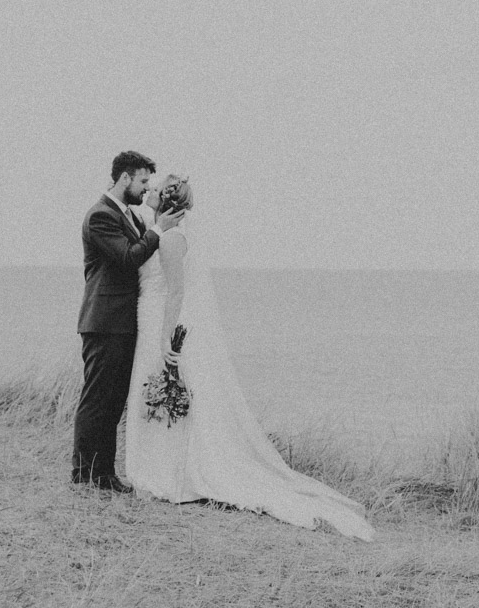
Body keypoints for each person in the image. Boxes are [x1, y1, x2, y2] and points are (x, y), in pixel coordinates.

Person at [123, 175, 374, 540]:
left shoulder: (173, 240)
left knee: (165, 391)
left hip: (160, 322)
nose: (150, 190)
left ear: (166, 200)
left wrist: (166, 340)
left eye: (156, 187)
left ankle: (168, 474)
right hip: (148, 317)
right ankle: (161, 468)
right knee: (159, 393)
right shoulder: (162, 232)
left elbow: (175, 293)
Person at [72, 150, 185, 492]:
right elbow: (127, 257)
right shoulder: (99, 216)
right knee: (96, 399)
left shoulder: (129, 216)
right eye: (143, 180)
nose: (146, 187)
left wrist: (153, 224)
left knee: (113, 401)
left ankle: (104, 474)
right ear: (125, 178)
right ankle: (84, 474)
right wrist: (158, 228)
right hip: (104, 321)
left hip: (124, 323)